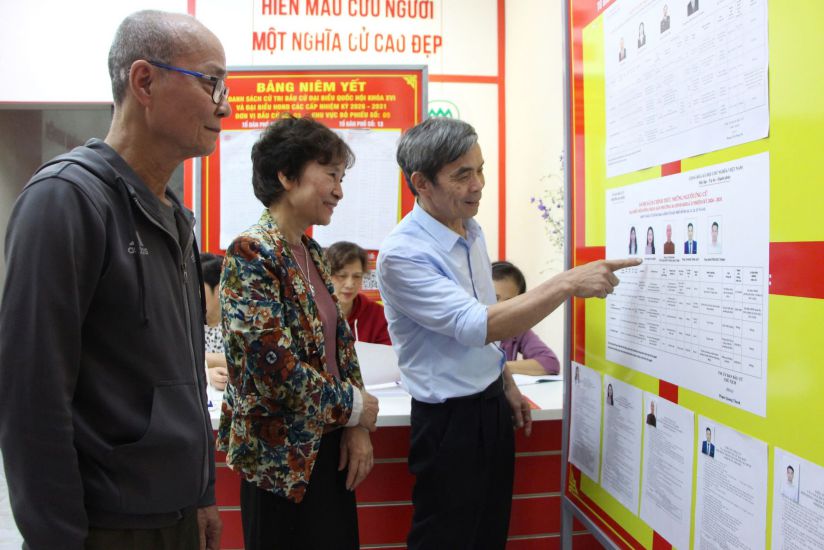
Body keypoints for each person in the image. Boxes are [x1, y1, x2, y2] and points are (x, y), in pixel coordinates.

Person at [0, 11, 229, 550]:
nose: (225, 103)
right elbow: (31, 396)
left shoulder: (174, 214)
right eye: (211, 81)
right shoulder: (66, 200)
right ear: (144, 81)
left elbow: (183, 374)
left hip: (171, 515)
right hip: (106, 525)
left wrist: (199, 492)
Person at [376, 118, 640, 549]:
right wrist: (566, 283)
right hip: (447, 423)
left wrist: (504, 377)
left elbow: (488, 319)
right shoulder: (404, 254)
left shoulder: (469, 229)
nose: (478, 184)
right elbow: (476, 324)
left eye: (480, 169)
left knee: (488, 532)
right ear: (421, 182)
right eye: (462, 175)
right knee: (445, 539)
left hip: (490, 406)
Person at [218, 115, 380, 550]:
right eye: (330, 175)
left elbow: (341, 349)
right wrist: (354, 406)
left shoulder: (311, 252)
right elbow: (274, 370)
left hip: (330, 451)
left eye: (341, 177)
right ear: (287, 176)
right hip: (279, 463)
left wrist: (356, 425)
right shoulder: (251, 252)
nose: (339, 190)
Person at [491, 261, 561, 376]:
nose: (501, 306)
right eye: (495, 297)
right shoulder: (467, 324)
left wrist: (500, 366)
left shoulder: (517, 328)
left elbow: (550, 363)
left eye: (510, 301)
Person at [326, 241, 391, 345]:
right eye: (342, 276)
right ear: (326, 275)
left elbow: (386, 356)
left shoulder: (378, 315)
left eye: (357, 276)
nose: (350, 284)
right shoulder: (310, 312)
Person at [202, 252, 229, 390]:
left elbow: (247, 359)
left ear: (219, 290)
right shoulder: (187, 324)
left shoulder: (235, 323)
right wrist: (207, 373)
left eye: (200, 291)